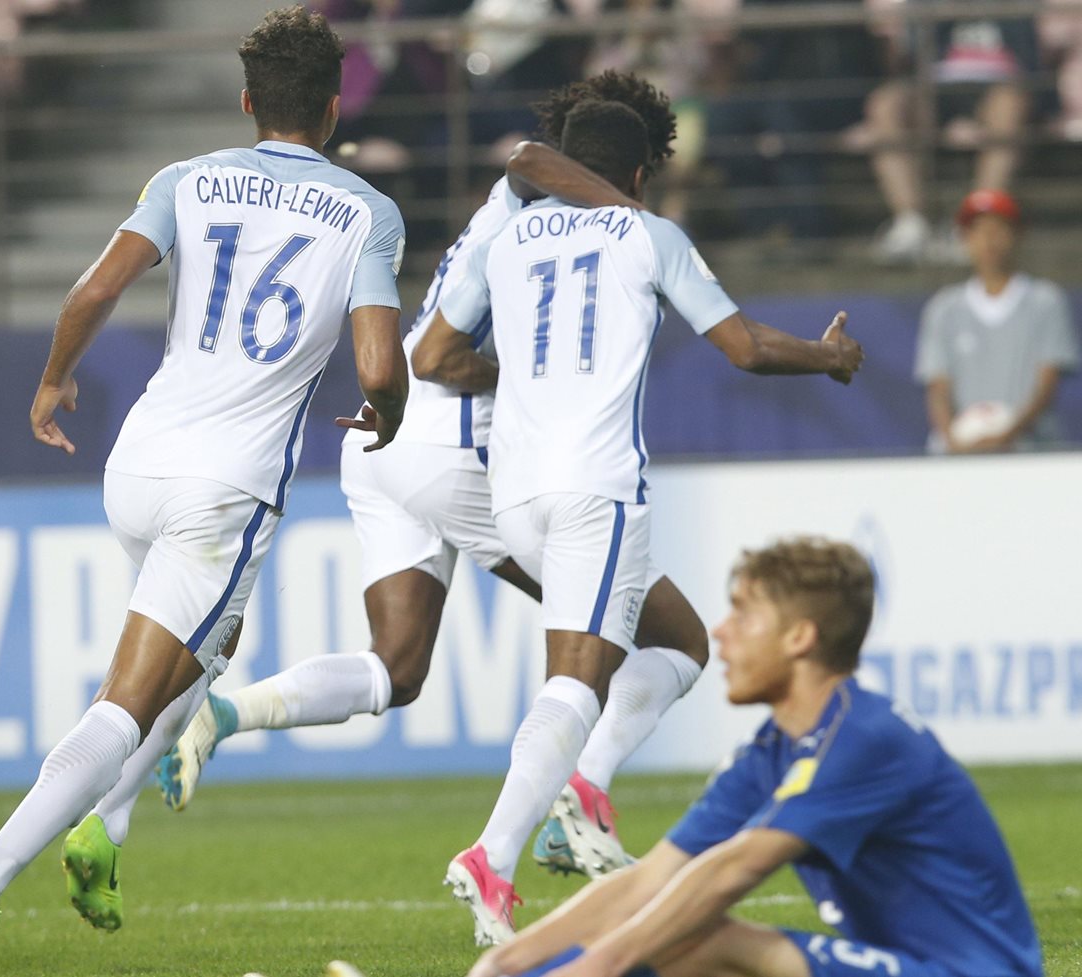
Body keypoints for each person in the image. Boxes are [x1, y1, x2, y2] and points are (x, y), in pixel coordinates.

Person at [0, 8, 408, 977]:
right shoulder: (366, 211)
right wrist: (387, 410)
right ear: (332, 107)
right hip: (221, 489)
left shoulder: (185, 178)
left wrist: (55, 378)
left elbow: (91, 293)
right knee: (129, 698)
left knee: (210, 644)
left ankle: (103, 831)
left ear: (245, 103)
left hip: (137, 462)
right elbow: (377, 359)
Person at [158, 72, 712, 903]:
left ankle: (226, 714)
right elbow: (454, 351)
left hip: (384, 440)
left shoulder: (516, 202)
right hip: (455, 442)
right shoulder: (563, 208)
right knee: (662, 635)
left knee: (399, 666)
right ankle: (577, 801)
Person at [433, 100, 862, 946]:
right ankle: (493, 854)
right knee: (575, 681)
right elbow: (743, 347)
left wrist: (522, 379)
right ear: (632, 174)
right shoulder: (646, 233)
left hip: (515, 495)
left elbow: (434, 359)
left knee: (682, 641)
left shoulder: (504, 238)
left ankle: (582, 787)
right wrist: (829, 356)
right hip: (595, 485)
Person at [464, 537, 1044, 977]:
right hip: (892, 960)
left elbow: (732, 871)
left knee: (705, 939)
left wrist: (595, 967)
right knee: (680, 931)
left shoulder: (865, 738)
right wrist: (507, 962)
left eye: (743, 613)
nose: (722, 631)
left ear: (799, 638)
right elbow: (653, 881)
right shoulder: (772, 748)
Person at [862, 2, 1041, 264]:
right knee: (885, 105)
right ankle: (911, 223)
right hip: (935, 88)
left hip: (997, 86)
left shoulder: (1014, 6)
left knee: (1010, 105)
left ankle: (977, 222)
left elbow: (1030, 64)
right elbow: (911, 59)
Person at [915, 188, 1079, 453]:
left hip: (1029, 450)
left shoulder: (1045, 302)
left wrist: (1007, 436)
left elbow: (1047, 384)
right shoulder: (943, 308)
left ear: (1017, 234)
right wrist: (953, 441)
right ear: (965, 238)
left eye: (999, 229)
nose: (989, 240)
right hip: (960, 453)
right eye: (978, 230)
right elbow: (938, 388)